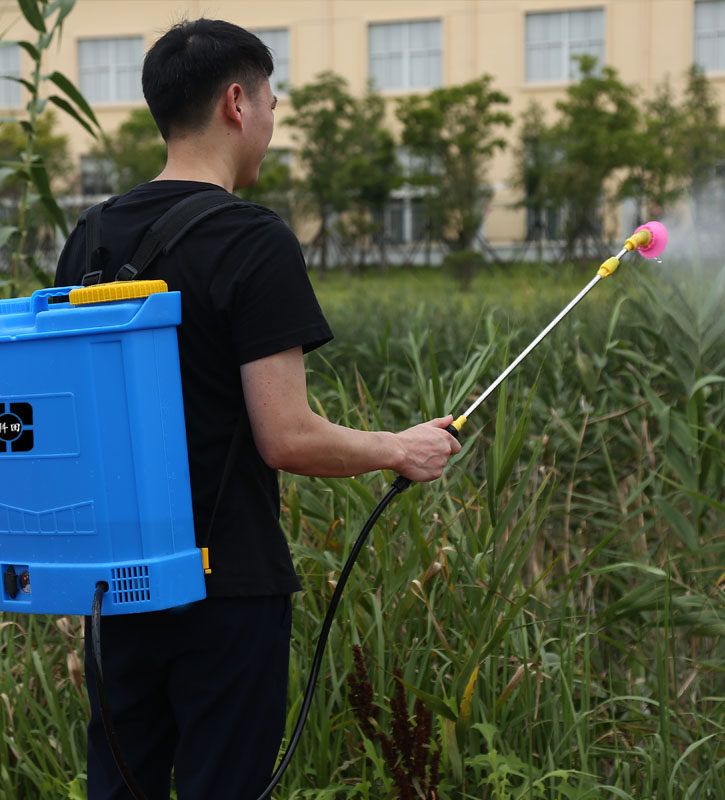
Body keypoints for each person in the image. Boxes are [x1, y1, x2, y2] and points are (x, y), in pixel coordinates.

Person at [54, 18, 460, 800]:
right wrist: (399, 449)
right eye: (272, 101)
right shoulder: (253, 239)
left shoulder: (93, 234)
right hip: (226, 588)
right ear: (237, 103)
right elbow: (286, 436)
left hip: (116, 585)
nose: (273, 120)